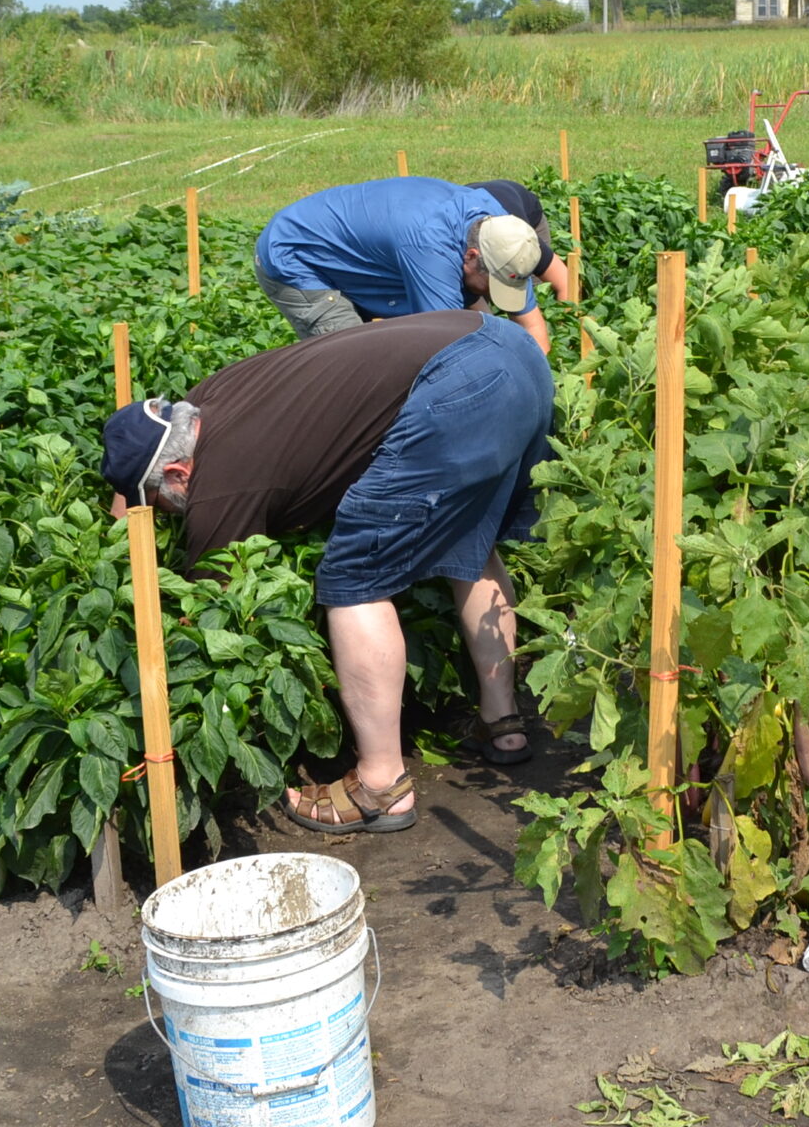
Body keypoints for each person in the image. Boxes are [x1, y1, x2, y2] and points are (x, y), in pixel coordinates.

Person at [103, 307, 552, 835]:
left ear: (179, 471)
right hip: (509, 349)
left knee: (354, 573)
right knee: (467, 538)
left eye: (159, 503)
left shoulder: (222, 483)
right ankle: (502, 722)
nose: (167, 514)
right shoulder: (209, 397)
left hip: (460, 385)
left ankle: (382, 786)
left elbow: (214, 606)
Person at [253, 175, 561, 353]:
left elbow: (532, 326)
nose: (497, 295)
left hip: (363, 248)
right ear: (471, 257)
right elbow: (449, 348)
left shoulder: (503, 233)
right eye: (493, 287)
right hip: (298, 254)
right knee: (356, 364)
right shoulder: (430, 248)